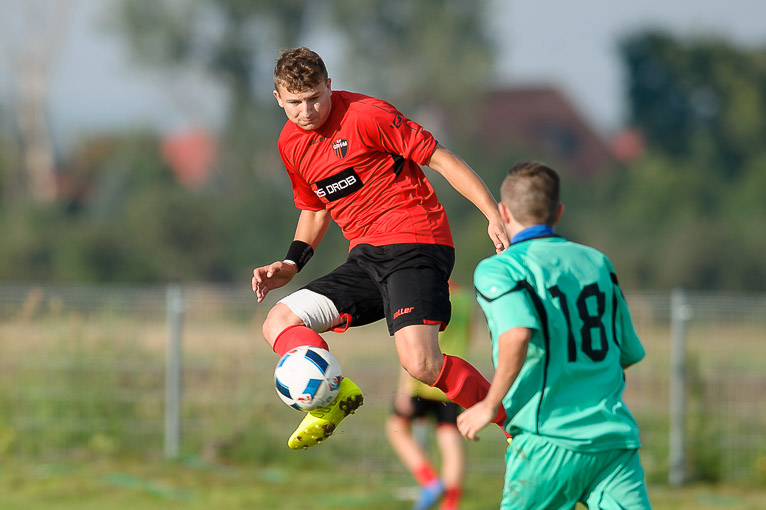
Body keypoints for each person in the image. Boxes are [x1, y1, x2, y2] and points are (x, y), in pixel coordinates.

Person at [251, 47, 510, 450]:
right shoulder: (290, 143)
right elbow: (315, 208)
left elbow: (441, 159)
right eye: (295, 103)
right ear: (278, 99)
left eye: (315, 98)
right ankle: (332, 397)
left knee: (422, 364)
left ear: (329, 85)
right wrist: (291, 263)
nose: (307, 111)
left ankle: (517, 427)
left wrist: (492, 213)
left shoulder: (367, 115)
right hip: (366, 257)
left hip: (415, 241)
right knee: (279, 321)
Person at [457, 161, 651, 509]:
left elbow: (517, 334)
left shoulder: (501, 268)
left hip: (547, 439)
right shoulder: (597, 262)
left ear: (503, 211)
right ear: (558, 211)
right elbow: (627, 352)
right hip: (612, 440)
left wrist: (489, 405)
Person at [386, 282, 472, 510]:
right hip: (451, 380)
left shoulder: (425, 292)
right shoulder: (464, 300)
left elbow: (413, 344)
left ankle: (430, 481)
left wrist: (404, 388)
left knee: (396, 429)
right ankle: (450, 503)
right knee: (450, 440)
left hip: (423, 380)